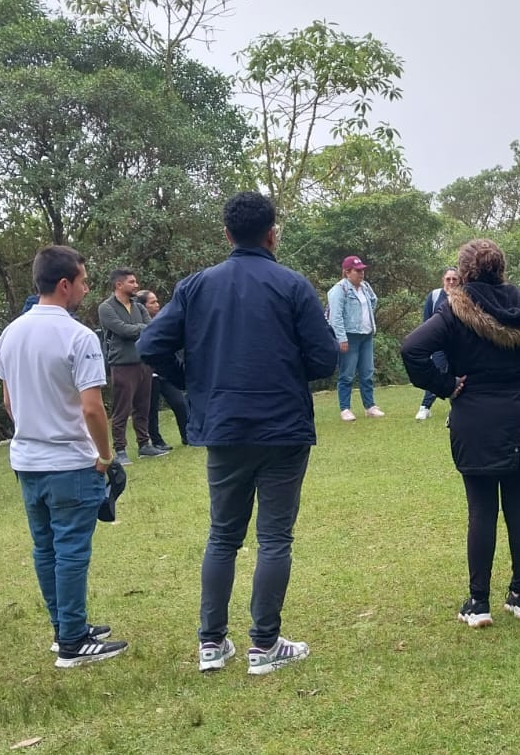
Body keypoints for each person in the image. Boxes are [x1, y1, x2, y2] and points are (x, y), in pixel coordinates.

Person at [140, 191, 339, 674]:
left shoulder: (195, 287)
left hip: (224, 426)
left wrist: (194, 381)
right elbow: (325, 358)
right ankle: (264, 645)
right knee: (274, 537)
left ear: (227, 234)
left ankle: (212, 643)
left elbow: (151, 345)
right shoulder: (292, 285)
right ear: (273, 233)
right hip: (282, 427)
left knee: (223, 535)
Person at [401, 240, 520, 627]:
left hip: (476, 419)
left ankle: (478, 602)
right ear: (501, 268)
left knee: (482, 510)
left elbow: (411, 349)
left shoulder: (454, 308)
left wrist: (444, 385)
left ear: (465, 270)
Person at [0, 247, 128, 668]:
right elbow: (92, 407)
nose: (87, 290)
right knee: (71, 550)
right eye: (84, 281)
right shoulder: (79, 336)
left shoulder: (10, 334)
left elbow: (9, 401)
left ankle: (64, 628)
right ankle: (72, 640)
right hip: (70, 460)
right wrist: (105, 455)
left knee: (46, 548)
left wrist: (34, 429)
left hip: (28, 459)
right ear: (65, 284)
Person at [97, 269, 165, 463]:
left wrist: (140, 329)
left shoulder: (138, 306)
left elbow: (150, 327)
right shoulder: (106, 307)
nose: (136, 285)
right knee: (122, 408)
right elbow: (121, 329)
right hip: (122, 364)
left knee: (143, 407)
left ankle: (145, 445)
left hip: (143, 362)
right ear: (119, 285)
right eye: (132, 282)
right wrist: (141, 329)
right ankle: (120, 450)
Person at [328, 256, 382, 421]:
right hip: (350, 337)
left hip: (366, 335)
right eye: (357, 271)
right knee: (347, 373)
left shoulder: (365, 287)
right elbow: (335, 317)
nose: (361, 273)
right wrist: (341, 338)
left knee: (367, 372)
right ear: (347, 272)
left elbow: (373, 300)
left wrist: (366, 318)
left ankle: (370, 406)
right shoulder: (339, 290)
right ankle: (345, 408)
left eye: (362, 270)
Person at [137, 290, 188, 447]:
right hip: (147, 371)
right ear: (143, 307)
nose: (157, 305)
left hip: (165, 373)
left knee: (179, 402)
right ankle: (157, 441)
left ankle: (188, 436)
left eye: (157, 301)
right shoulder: (145, 324)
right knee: (151, 409)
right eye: (152, 302)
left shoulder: (166, 321)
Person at [414, 267, 460, 420]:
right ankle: (425, 407)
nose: (451, 282)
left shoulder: (464, 296)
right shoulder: (434, 296)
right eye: (448, 279)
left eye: (455, 279)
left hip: (458, 345)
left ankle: (455, 411)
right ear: (443, 280)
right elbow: (426, 322)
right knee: (438, 372)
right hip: (439, 344)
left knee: (458, 375)